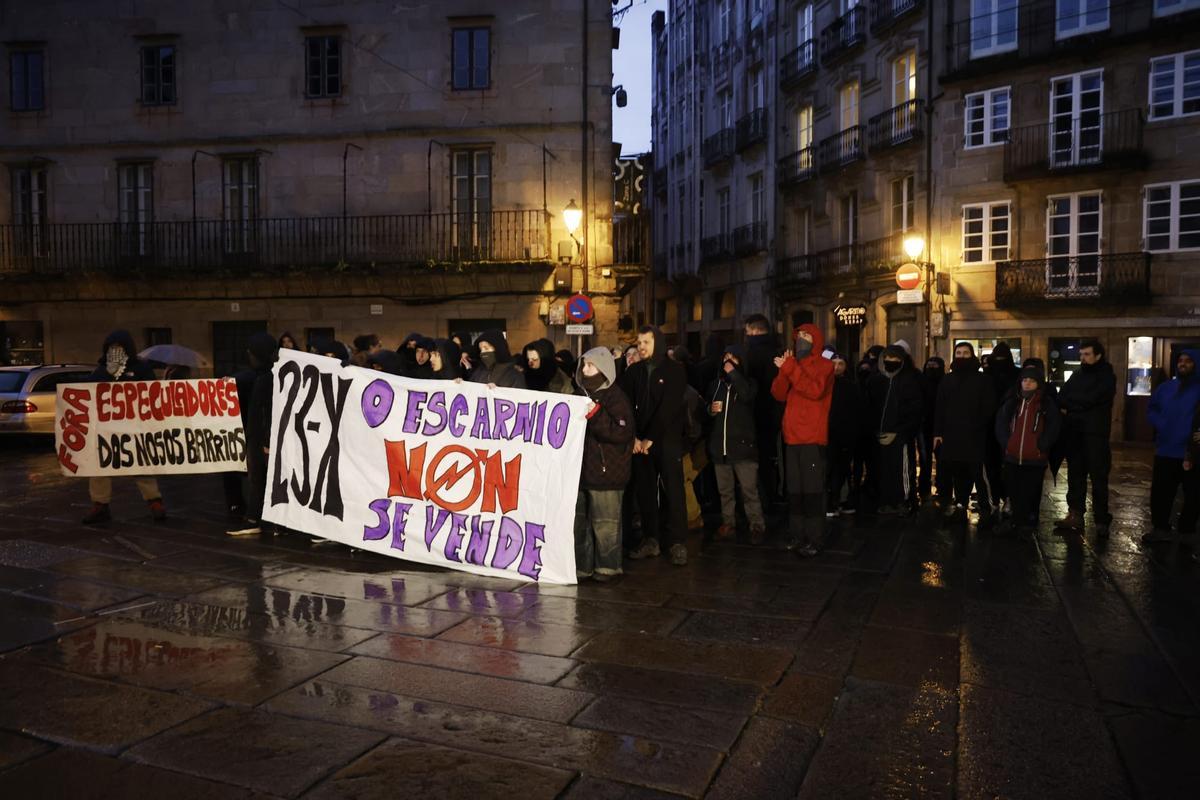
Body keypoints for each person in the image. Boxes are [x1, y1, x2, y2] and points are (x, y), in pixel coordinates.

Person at [619, 325, 689, 565]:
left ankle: (678, 541)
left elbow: (668, 407)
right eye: (639, 343)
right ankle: (651, 539)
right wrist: (635, 438)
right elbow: (625, 406)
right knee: (645, 491)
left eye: (646, 342)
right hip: (641, 444)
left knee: (674, 490)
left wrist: (651, 437)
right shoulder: (633, 372)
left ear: (657, 343)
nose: (641, 347)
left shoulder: (675, 371)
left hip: (666, 441)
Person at [81, 330, 166, 525]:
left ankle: (154, 502)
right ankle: (100, 504)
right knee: (99, 466)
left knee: (142, 464)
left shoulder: (142, 369)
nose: (115, 351)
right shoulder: (100, 371)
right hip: (106, 429)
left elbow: (153, 393)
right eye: (112, 348)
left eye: (119, 348)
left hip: (135, 427)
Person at [771, 323, 834, 556]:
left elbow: (814, 390)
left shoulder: (825, 366)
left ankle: (815, 538)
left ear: (815, 339)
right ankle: (797, 535)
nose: (801, 340)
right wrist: (784, 370)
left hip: (812, 437)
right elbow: (778, 393)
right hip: (793, 437)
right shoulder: (793, 365)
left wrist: (790, 368)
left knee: (813, 491)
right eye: (799, 336)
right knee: (795, 491)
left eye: (807, 336)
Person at [574, 347, 635, 580]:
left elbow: (621, 432)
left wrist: (596, 414)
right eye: (584, 365)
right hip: (580, 472)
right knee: (580, 524)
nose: (585, 369)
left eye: (590, 365)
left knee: (605, 524)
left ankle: (608, 566)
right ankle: (582, 566)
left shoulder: (615, 396)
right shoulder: (577, 393)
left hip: (607, 472)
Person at [706, 345, 765, 542]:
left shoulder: (749, 383)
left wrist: (734, 375)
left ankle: (756, 524)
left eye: (733, 358)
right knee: (725, 492)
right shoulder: (716, 385)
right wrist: (710, 410)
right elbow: (707, 409)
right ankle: (729, 523)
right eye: (725, 357)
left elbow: (748, 395)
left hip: (743, 447)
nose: (728, 362)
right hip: (720, 448)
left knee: (749, 490)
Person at [933, 343, 997, 523]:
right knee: (958, 472)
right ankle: (961, 503)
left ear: (972, 355)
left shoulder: (983, 380)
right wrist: (938, 432)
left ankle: (988, 508)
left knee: (979, 474)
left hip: (975, 435)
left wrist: (977, 425)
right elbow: (940, 406)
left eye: (965, 353)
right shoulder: (947, 379)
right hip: (953, 435)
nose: (961, 356)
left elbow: (989, 406)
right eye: (958, 353)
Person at [1056, 338, 1116, 531]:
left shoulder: (1107, 375)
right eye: (1081, 354)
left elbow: (1094, 398)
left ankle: (1101, 519)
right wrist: (1077, 404)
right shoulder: (1077, 374)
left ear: (1098, 355)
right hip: (1075, 432)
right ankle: (1075, 514)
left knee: (1098, 477)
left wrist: (1074, 404)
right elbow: (1062, 398)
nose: (1083, 358)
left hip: (1095, 434)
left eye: (1087, 354)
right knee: (1075, 475)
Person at [995, 362, 1061, 533]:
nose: (1027, 383)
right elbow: (1001, 423)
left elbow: (1053, 427)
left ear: (1039, 383)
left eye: (1032, 380)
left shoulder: (1045, 404)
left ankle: (1025, 524)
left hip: (1035, 458)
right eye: (1025, 380)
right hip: (1013, 455)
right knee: (1014, 490)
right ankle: (1015, 522)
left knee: (1029, 492)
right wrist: (1007, 443)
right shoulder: (1013, 402)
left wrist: (1042, 446)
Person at [228, 332, 279, 536]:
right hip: (260, 436)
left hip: (261, 438)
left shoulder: (267, 378)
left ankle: (254, 520)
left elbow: (268, 412)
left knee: (258, 478)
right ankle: (261, 520)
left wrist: (266, 440)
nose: (248, 355)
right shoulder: (263, 376)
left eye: (252, 352)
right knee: (259, 479)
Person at [1145, 350, 1200, 540]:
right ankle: (1160, 527)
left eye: (1188, 361)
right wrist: (1162, 424)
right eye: (1181, 360)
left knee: (1193, 493)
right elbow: (1152, 409)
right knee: (1161, 492)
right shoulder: (1165, 388)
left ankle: (1187, 530)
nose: (1183, 364)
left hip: (1191, 451)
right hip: (1166, 448)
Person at [867, 344, 924, 515]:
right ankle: (887, 500)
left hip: (901, 435)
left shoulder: (910, 380)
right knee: (885, 470)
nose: (891, 362)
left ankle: (904, 501)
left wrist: (902, 431)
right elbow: (872, 406)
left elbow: (915, 409)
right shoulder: (877, 380)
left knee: (903, 469)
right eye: (888, 359)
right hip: (881, 434)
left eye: (895, 359)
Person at [743, 314, 784, 511]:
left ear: (755, 331)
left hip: (754, 415)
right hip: (774, 416)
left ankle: (761, 501)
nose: (746, 335)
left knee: (754, 462)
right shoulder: (777, 352)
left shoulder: (749, 354)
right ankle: (772, 496)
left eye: (748, 331)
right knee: (770, 459)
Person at [983, 342, 1018, 516]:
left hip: (1009, 427)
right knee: (991, 465)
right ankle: (995, 500)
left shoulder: (1016, 376)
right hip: (990, 427)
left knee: (1008, 466)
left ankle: (1007, 499)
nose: (999, 361)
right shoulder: (987, 376)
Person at [826, 353, 862, 517]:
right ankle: (831, 501)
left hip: (845, 435)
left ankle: (841, 499)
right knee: (830, 468)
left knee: (843, 468)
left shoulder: (851, 386)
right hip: (828, 434)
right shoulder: (823, 384)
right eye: (834, 363)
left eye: (841, 363)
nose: (837, 367)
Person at [919, 356, 946, 504]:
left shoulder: (945, 382)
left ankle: (942, 486)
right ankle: (924, 486)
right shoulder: (922, 381)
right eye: (929, 364)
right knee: (924, 458)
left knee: (941, 458)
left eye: (935, 364)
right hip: (924, 425)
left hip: (940, 426)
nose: (931, 366)